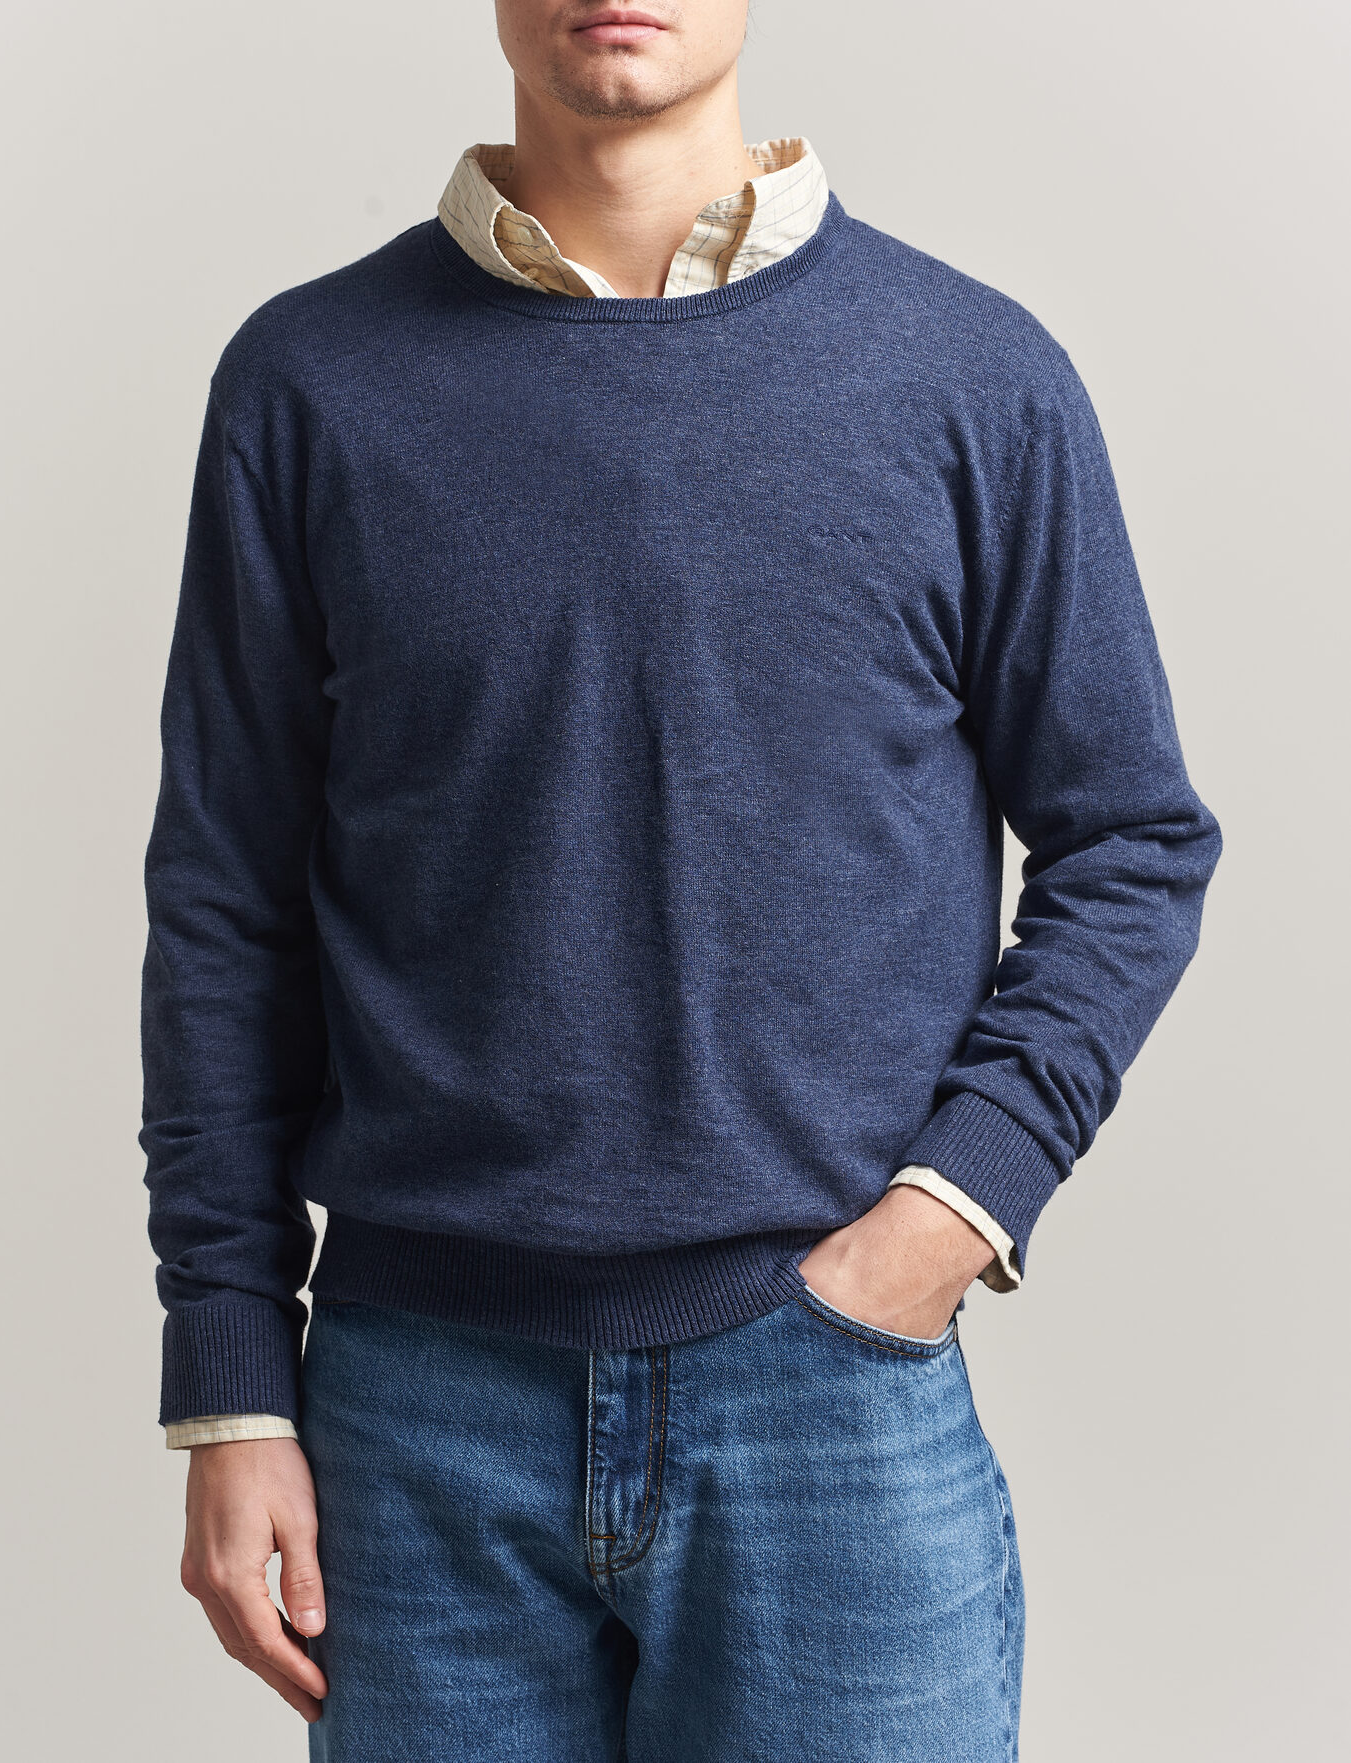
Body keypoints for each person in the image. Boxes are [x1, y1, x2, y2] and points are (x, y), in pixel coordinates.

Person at [142, 3, 1222, 1757]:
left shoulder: (970, 375)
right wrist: (229, 1379)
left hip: (829, 1394)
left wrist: (946, 1218)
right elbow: (224, 898)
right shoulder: (310, 380)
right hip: (413, 1412)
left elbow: (1132, 842)